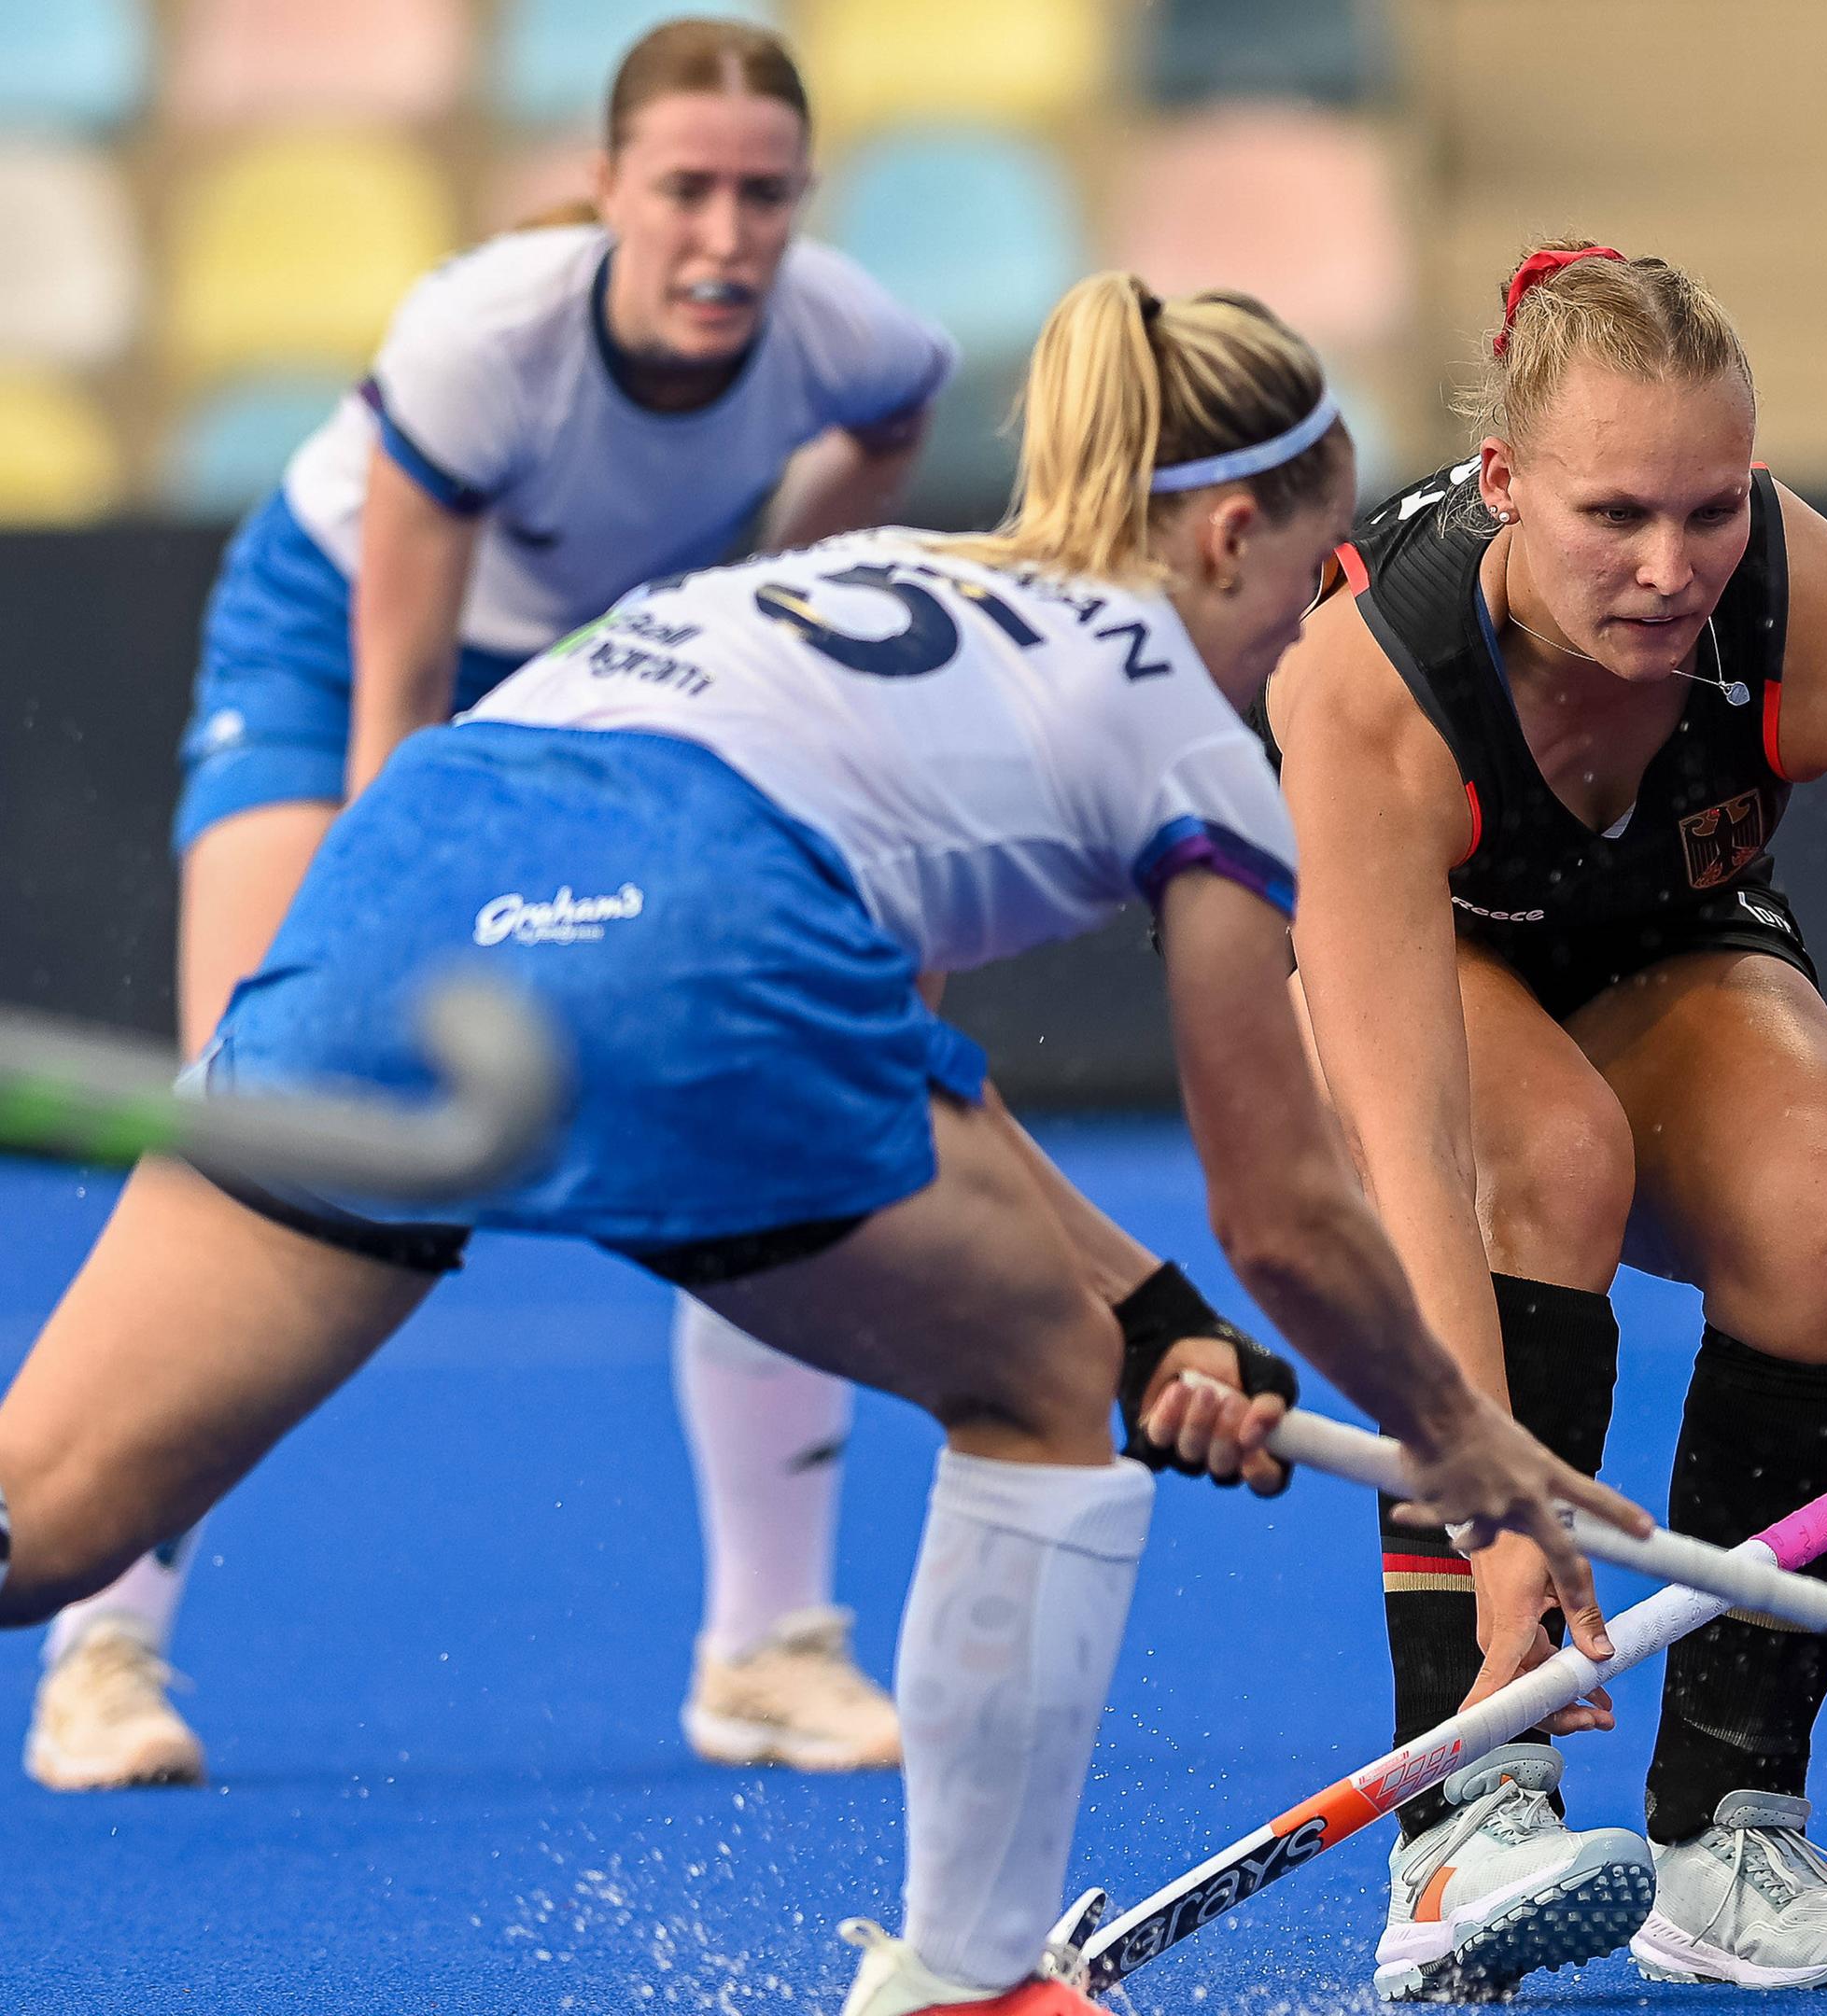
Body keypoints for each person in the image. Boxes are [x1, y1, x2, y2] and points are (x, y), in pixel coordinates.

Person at [0, 273, 1651, 2016]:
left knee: (48, 1517)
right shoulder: (1184, 734)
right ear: (1231, 532)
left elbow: (899, 1062)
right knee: (1034, 1388)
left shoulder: (846, 580)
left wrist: (1148, 1306)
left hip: (405, 886)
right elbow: (1294, 1214)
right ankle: (973, 1980)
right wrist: (1463, 1443)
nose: (1301, 637)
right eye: (1308, 581)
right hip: (689, 952)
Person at [34, 17, 955, 1793]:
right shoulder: (478, 340)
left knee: (771, 1104)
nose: (724, 232)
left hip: (608, 671)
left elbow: (892, 427)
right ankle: (103, 1652)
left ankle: (767, 1649)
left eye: (766, 195)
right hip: (345, 662)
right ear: (604, 188)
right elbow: (397, 738)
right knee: (252, 1120)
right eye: (683, 187)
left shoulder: (857, 333)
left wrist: (739, 593)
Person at [1266, 242, 1827, 1998]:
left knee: (1826, 1209)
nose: (1671, 570)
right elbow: (1417, 1149)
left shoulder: (1821, 612)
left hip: (1661, 949)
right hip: (1424, 999)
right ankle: (1462, 1816)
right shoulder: (1368, 687)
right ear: (1502, 485)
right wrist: (1494, 1493)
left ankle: (1727, 1830)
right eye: (1614, 515)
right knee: (1542, 1158)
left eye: (1715, 508)